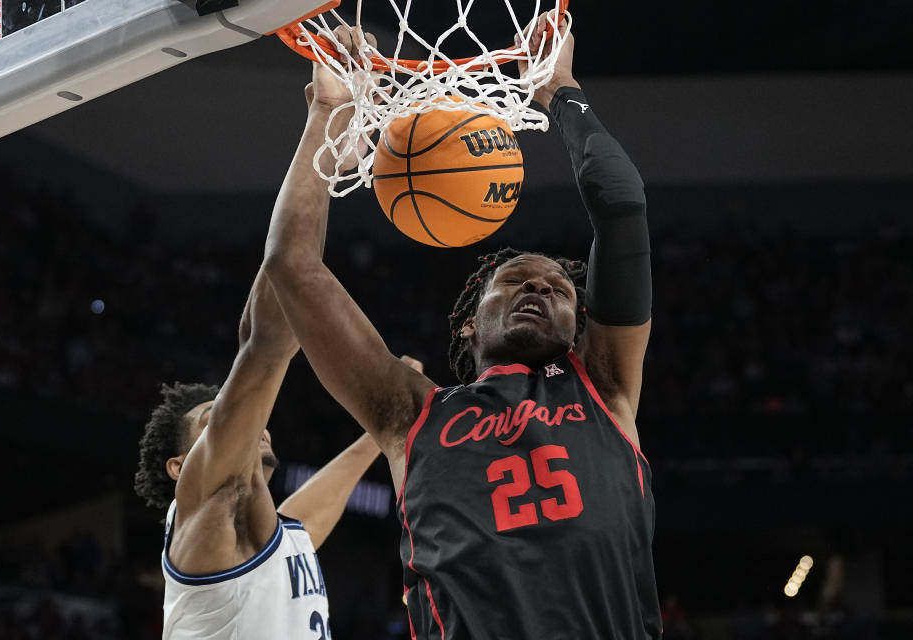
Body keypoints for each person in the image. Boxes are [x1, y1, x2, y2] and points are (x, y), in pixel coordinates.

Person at [265, 17, 661, 639]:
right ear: (469, 326)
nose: (540, 286)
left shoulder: (605, 387)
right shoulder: (410, 413)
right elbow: (293, 268)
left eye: (559, 290)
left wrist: (560, 89)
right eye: (517, 282)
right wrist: (329, 111)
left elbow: (622, 203)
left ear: (580, 324)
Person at [133, 79, 409, 639]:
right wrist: (327, 124)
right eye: (215, 421)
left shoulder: (266, 532)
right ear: (182, 469)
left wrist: (381, 432)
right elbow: (265, 340)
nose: (246, 422)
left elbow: (312, 514)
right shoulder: (207, 511)